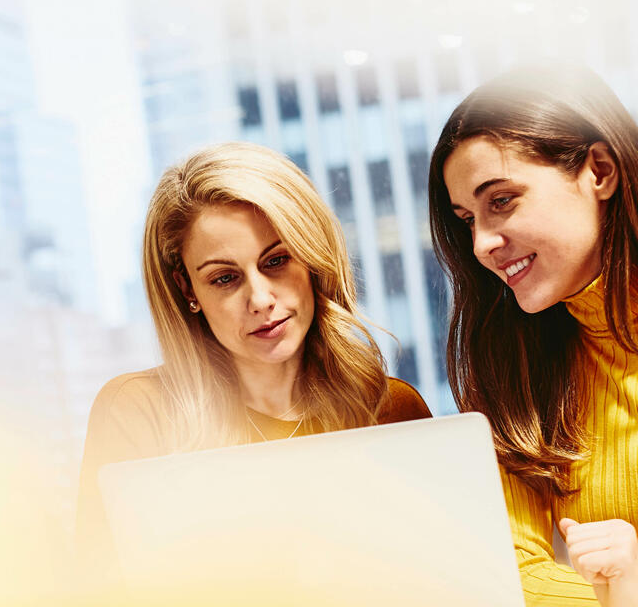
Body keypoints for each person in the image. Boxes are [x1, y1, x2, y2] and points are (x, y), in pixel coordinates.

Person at [77, 141, 430, 586]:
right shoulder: (140, 411)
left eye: (277, 261)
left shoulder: (390, 408)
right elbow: (95, 588)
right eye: (224, 278)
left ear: (312, 262)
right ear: (188, 289)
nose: (261, 300)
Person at [429, 64, 638, 607]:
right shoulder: (513, 368)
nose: (481, 244)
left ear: (600, 170)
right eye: (466, 218)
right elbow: (512, 574)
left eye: (500, 200)